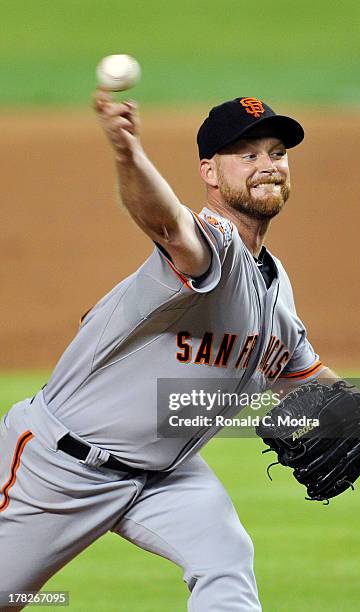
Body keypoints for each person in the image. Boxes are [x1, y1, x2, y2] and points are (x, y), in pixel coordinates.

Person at [0, 93, 338, 611]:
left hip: (166, 476)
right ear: (209, 171)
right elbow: (166, 224)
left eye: (276, 153)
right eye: (247, 155)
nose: (268, 166)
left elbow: (302, 372)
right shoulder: (211, 246)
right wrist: (126, 152)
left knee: (225, 555)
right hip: (62, 468)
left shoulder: (275, 284)